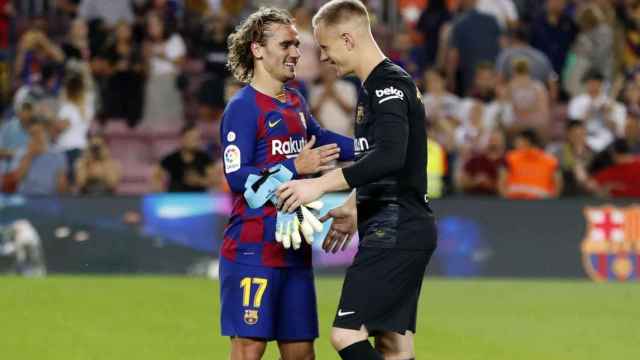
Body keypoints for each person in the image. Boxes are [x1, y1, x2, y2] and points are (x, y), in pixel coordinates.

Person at [277, 1, 437, 359]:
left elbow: (390, 156)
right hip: (397, 224)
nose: (323, 57)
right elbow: (384, 161)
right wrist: (353, 204)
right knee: (393, 345)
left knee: (346, 334)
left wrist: (318, 184)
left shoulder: (386, 87)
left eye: (325, 47)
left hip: (396, 229)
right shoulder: (376, 86)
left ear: (348, 39)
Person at [219, 7, 355, 360]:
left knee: (301, 353)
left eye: (297, 44)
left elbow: (322, 138)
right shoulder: (243, 107)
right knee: (250, 349)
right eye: (286, 44)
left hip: (294, 249)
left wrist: (374, 148)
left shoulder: (294, 101)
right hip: (253, 249)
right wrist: (295, 166)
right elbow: (237, 177)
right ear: (257, 49)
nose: (296, 52)